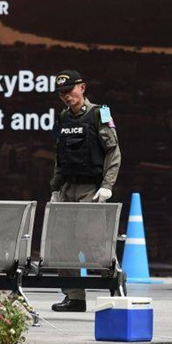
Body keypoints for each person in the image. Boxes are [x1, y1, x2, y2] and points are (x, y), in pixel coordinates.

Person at [49, 69, 122, 312]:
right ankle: (75, 297)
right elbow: (60, 156)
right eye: (61, 92)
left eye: (69, 90)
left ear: (82, 87)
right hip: (67, 188)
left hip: (91, 189)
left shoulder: (100, 113)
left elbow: (113, 152)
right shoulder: (62, 117)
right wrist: (55, 188)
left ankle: (117, 292)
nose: (66, 96)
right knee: (61, 244)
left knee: (94, 244)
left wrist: (107, 186)